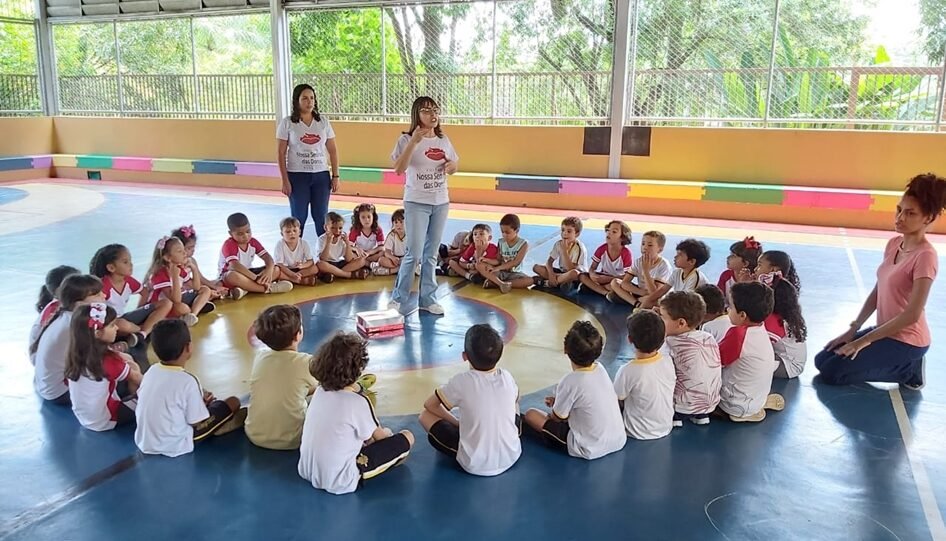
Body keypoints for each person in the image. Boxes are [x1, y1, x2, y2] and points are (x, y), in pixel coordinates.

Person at [816, 173, 946, 389]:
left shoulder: (926, 256)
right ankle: (895, 362)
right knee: (822, 359)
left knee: (833, 372)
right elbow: (878, 291)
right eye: (899, 210)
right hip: (885, 330)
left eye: (910, 213)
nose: (900, 218)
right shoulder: (894, 244)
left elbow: (912, 315)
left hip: (907, 341)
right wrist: (853, 329)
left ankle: (909, 370)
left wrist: (863, 341)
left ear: (928, 218)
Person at [298, 332, 414, 494]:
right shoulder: (358, 402)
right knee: (407, 437)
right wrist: (388, 433)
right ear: (359, 369)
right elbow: (381, 437)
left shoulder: (319, 392)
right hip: (340, 480)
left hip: (306, 469)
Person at [418, 324, 521, 476]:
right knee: (514, 401)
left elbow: (430, 405)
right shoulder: (507, 376)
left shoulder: (462, 381)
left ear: (464, 356)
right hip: (512, 454)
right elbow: (517, 398)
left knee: (424, 416)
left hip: (474, 464)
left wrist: (456, 423)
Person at [389, 96, 459, 316]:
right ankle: (398, 298)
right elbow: (398, 169)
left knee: (431, 253)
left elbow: (455, 164)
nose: (433, 115)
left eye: (435, 110)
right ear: (417, 115)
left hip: (440, 201)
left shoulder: (443, 140)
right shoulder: (405, 139)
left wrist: (452, 166)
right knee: (414, 251)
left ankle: (428, 299)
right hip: (416, 201)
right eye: (427, 111)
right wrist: (414, 142)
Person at [135, 319, 242, 457]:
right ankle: (223, 425)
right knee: (233, 402)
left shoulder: (151, 371)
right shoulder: (188, 380)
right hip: (176, 443)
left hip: (144, 441)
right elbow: (196, 422)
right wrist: (204, 405)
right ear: (188, 347)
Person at [523, 321, 626, 459]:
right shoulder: (600, 369)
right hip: (619, 439)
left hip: (588, 447)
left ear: (565, 349)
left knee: (531, 415)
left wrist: (557, 405)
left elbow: (557, 418)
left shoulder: (570, 381)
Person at [245, 305, 317, 450]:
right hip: (293, 440)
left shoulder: (260, 356)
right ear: (298, 334)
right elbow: (324, 385)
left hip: (254, 434)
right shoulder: (306, 362)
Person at [65, 303, 141, 431]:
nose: (117, 328)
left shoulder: (78, 352)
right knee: (148, 390)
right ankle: (134, 401)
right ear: (97, 333)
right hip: (107, 419)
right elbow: (139, 379)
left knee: (127, 363)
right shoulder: (108, 360)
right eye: (112, 325)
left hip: (85, 418)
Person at [276, 83, 339, 238]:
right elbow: (281, 153)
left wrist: (335, 176)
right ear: (296, 101)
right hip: (297, 176)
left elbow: (333, 150)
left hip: (321, 176)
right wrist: (285, 180)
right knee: (298, 218)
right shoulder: (288, 123)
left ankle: (324, 250)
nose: (309, 102)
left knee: (321, 217)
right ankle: (295, 250)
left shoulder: (323, 122)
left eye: (312, 98)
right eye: (304, 98)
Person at [31, 274, 106, 405]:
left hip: (45, 386)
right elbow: (92, 361)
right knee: (119, 372)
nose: (104, 296)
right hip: (59, 392)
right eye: (97, 294)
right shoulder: (75, 326)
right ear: (79, 304)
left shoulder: (65, 316)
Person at [717, 282, 784, 423]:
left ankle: (739, 410)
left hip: (734, 405)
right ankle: (756, 404)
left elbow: (716, 360)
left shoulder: (738, 335)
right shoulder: (760, 328)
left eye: (731, 307)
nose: (727, 309)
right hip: (756, 397)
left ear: (742, 315)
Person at [659, 291, 721, 427]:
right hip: (710, 404)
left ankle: (676, 418)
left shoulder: (669, 343)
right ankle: (701, 416)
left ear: (681, 323)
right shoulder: (708, 337)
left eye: (663, 317)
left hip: (682, 407)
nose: (659, 320)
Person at [613, 310, 676, 440]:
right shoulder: (668, 360)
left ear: (629, 339)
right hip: (665, 426)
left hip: (638, 431)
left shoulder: (628, 370)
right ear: (663, 338)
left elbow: (617, 397)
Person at [218, 212, 294, 299]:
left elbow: (268, 258)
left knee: (276, 269)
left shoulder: (253, 241)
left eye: (248, 231)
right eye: (240, 234)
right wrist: (256, 278)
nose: (246, 236)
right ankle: (268, 289)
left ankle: (245, 289)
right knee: (231, 276)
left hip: (249, 273)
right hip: (233, 275)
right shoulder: (229, 244)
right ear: (231, 233)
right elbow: (235, 265)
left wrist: (268, 271)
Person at [579, 220, 633, 296]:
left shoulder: (626, 253)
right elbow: (592, 268)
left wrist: (609, 279)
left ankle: (596, 288)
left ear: (622, 237)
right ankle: (605, 292)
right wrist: (592, 275)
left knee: (618, 285)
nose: (609, 233)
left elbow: (627, 277)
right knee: (582, 276)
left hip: (615, 280)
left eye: (614, 232)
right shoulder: (601, 249)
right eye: (608, 230)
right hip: (602, 277)